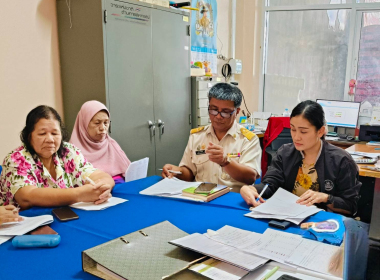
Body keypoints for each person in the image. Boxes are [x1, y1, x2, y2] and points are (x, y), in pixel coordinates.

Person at [240, 100, 361, 215]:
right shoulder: (285, 153)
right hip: (287, 217)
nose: (296, 137)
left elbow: (351, 207)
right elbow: (270, 185)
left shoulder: (341, 160)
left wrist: (325, 198)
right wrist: (252, 189)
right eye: (293, 129)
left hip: (322, 223)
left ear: (320, 131)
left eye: (303, 132)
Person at [0, 105, 114, 209]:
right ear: (29, 136)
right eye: (42, 134)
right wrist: (80, 194)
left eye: (55, 133)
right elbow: (27, 196)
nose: (50, 139)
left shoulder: (69, 152)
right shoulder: (16, 159)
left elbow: (98, 175)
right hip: (22, 223)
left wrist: (104, 187)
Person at [161, 83, 262, 188]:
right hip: (201, 196)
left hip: (232, 198)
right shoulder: (197, 136)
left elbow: (250, 177)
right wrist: (176, 171)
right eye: (213, 110)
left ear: (236, 112)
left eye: (225, 112)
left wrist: (226, 162)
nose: (218, 116)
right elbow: (190, 173)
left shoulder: (247, 140)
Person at [70, 101, 130, 183]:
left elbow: (129, 172)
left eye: (106, 123)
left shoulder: (111, 144)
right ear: (84, 124)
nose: (103, 128)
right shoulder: (71, 152)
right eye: (97, 123)